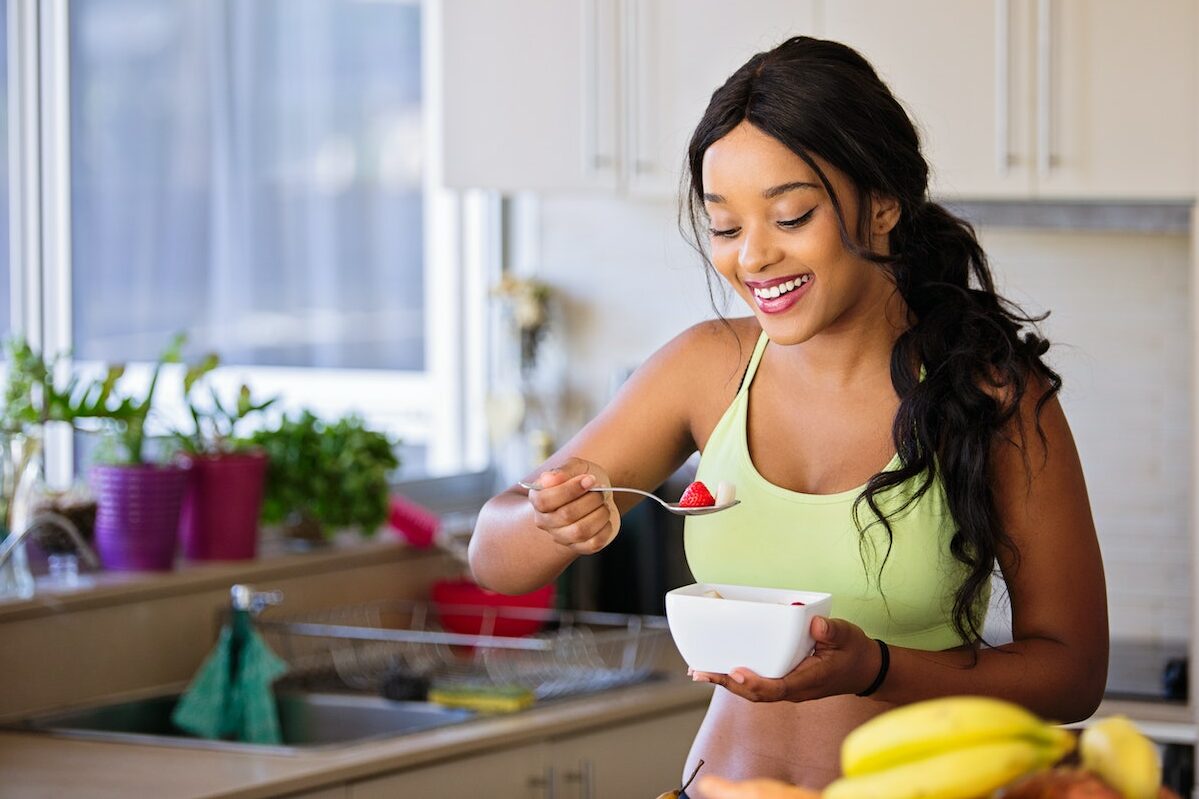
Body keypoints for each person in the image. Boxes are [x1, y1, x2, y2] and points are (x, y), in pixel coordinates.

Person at [469, 35, 1108, 796]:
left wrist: (875, 667)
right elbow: (491, 557)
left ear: (881, 206)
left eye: (790, 216)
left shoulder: (990, 394)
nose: (753, 258)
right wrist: (549, 520)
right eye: (726, 228)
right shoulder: (705, 368)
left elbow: (1072, 672)